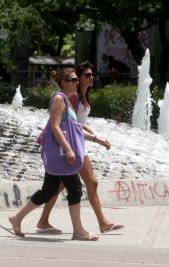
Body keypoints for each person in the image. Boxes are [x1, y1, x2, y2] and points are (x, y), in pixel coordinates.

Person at [3, 68, 105, 241]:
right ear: (63, 82)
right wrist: (68, 149)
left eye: (76, 80)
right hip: (62, 155)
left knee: (48, 190)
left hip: (60, 155)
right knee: (75, 188)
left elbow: (74, 129)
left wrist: (97, 139)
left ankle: (17, 218)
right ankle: (78, 231)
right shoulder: (58, 98)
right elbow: (55, 127)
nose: (76, 82)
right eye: (73, 80)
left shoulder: (66, 99)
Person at [36, 62, 124, 234]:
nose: (91, 78)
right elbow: (67, 122)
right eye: (86, 76)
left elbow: (75, 122)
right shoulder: (73, 97)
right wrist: (84, 139)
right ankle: (101, 223)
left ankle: (42, 220)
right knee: (89, 182)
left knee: (59, 186)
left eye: (91, 75)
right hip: (73, 145)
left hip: (77, 143)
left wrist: (88, 131)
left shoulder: (82, 96)